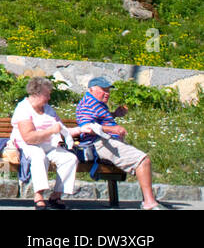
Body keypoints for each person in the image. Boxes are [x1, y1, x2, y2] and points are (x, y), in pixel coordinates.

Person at [76, 76, 164, 210]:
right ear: (92, 89)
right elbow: (87, 126)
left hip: (107, 142)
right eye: (103, 90)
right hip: (100, 144)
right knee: (142, 160)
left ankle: (149, 200)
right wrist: (113, 128)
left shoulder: (96, 102)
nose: (107, 93)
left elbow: (99, 120)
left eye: (108, 90)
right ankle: (149, 203)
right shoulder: (88, 104)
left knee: (142, 161)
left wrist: (114, 114)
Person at [10, 76, 77, 209]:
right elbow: (29, 137)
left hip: (48, 145)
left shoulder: (48, 109)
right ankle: (38, 195)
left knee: (70, 158)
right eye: (47, 95)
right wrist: (51, 131)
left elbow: (61, 128)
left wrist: (81, 130)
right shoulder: (23, 109)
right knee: (38, 155)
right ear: (36, 94)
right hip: (28, 145)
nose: (49, 98)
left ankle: (56, 196)